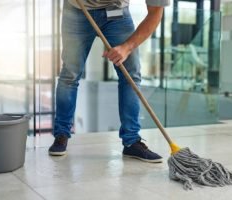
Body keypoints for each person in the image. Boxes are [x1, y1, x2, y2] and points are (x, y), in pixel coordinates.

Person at [49, 0, 170, 163]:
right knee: (70, 73)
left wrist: (127, 47)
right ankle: (61, 134)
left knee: (130, 75)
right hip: (78, 9)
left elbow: (155, 12)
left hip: (116, 11)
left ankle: (131, 141)